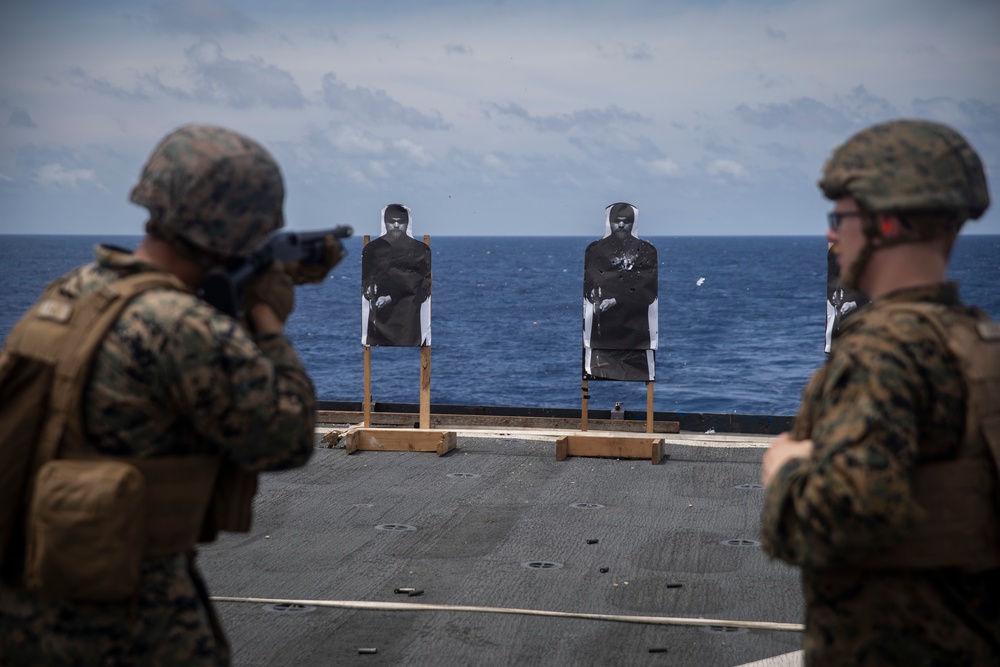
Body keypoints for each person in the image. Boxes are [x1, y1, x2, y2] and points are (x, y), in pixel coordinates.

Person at [0, 124, 340, 666]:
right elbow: (287, 438)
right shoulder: (181, 327)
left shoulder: (72, 293)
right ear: (241, 227)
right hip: (127, 617)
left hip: (30, 595)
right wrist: (267, 319)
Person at [760, 119, 1000, 666]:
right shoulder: (980, 340)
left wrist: (785, 471)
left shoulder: (882, 355)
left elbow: (843, 523)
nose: (831, 234)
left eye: (841, 218)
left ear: (886, 224)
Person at [583, 202, 658, 381]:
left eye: (626, 221)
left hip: (635, 332)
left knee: (642, 373)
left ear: (633, 223)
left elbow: (646, 292)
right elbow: (590, 282)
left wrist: (616, 300)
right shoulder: (596, 250)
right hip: (602, 332)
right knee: (594, 372)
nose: (622, 225)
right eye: (617, 221)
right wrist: (592, 296)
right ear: (610, 222)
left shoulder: (645, 251)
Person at [361, 203, 432, 347]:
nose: (396, 225)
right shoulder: (372, 249)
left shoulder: (419, 250)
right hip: (378, 320)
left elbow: (421, 287)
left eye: (401, 222)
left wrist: (391, 297)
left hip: (408, 321)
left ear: (407, 224)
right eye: (391, 221)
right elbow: (367, 280)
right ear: (385, 223)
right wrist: (369, 291)